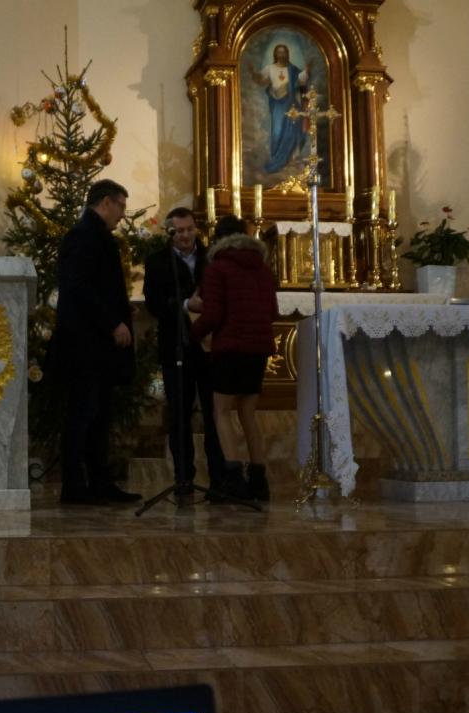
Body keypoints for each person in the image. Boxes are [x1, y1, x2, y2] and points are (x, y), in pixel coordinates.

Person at [52, 179, 141, 505]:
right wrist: (113, 322)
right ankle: (75, 486)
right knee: (83, 415)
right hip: (85, 345)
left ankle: (100, 482)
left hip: (95, 345)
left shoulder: (96, 235)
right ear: (106, 202)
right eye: (121, 207)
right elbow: (79, 288)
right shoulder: (83, 236)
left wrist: (119, 312)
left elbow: (97, 287)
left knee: (99, 415)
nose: (122, 215)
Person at [142, 207, 226, 493]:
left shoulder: (212, 257)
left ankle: (219, 477)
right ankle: (183, 477)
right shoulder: (157, 260)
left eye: (189, 229)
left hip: (210, 347)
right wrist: (186, 305)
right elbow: (153, 303)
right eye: (179, 231)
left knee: (215, 414)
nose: (186, 235)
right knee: (179, 414)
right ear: (170, 233)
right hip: (176, 346)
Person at [190, 232, 279, 501]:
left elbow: (213, 314)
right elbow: (273, 312)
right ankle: (259, 480)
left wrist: (191, 334)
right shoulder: (263, 270)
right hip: (258, 349)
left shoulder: (218, 268)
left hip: (230, 348)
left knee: (221, 412)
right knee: (248, 413)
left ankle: (234, 479)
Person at [250, 43, 310, 174]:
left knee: (292, 131)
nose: (281, 54)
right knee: (277, 131)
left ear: (287, 54)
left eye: (284, 52)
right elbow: (261, 80)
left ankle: (290, 159)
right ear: (275, 54)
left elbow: (301, 81)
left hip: (291, 103)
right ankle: (277, 159)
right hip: (277, 104)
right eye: (279, 52)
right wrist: (254, 73)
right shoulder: (270, 68)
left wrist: (306, 71)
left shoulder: (293, 69)